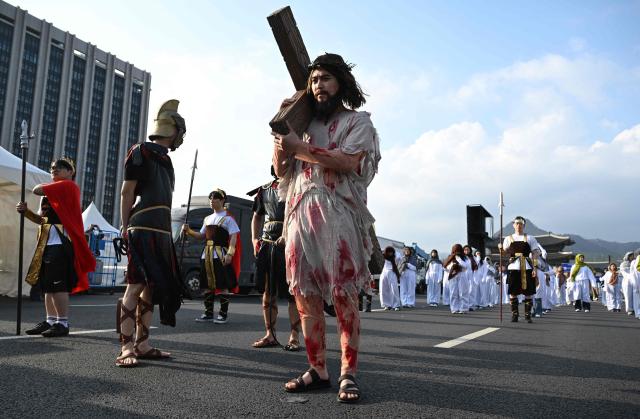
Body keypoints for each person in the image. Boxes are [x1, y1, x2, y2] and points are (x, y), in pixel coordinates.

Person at [273, 53, 380, 403]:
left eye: (326, 79)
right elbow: (280, 172)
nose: (319, 86)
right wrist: (282, 133)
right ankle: (317, 368)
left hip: (339, 215)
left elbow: (349, 162)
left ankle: (348, 372)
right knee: (304, 295)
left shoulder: (358, 122)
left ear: (341, 84)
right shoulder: (304, 125)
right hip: (300, 212)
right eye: (314, 80)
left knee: (343, 294)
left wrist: (299, 146)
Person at [116, 99, 186, 367]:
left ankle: (142, 344)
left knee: (150, 288)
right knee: (135, 285)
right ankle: (126, 348)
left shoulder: (163, 157)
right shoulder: (141, 150)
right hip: (142, 227)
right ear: (174, 129)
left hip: (161, 230)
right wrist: (124, 226)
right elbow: (127, 191)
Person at [16, 158, 95, 337]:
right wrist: (25, 212)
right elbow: (41, 219)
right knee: (48, 286)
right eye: (52, 168)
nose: (54, 170)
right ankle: (51, 320)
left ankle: (62, 323)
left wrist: (41, 188)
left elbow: (37, 189)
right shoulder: (50, 194)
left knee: (58, 286)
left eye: (60, 167)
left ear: (70, 172)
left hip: (61, 244)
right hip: (46, 243)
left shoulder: (68, 186)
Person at [249, 171, 301, 350]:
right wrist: (255, 239)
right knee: (268, 291)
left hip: (291, 244)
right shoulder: (264, 190)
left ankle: (294, 336)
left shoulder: (298, 185)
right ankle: (270, 334)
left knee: (293, 292)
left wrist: (290, 235)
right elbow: (257, 216)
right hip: (268, 244)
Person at [183, 188, 240, 324]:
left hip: (220, 254)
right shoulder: (207, 219)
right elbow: (201, 236)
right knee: (207, 285)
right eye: (210, 198)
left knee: (222, 284)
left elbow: (233, 238)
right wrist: (189, 231)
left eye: (215, 198)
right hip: (206, 254)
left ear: (222, 200)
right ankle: (208, 314)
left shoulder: (228, 218)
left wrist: (230, 253)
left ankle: (222, 314)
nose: (211, 201)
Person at [498, 216, 542, 323]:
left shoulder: (530, 238)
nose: (519, 226)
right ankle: (515, 314)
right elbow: (504, 253)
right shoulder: (508, 239)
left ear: (524, 225)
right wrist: (500, 249)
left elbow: (535, 253)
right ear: (513, 225)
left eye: (521, 224)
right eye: (517, 223)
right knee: (513, 292)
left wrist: (534, 268)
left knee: (529, 292)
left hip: (527, 266)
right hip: (513, 267)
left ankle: (528, 315)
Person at [444, 244, 473, 314]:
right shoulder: (450, 258)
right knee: (453, 293)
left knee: (463, 292)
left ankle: (464, 308)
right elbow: (444, 267)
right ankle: (454, 308)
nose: (456, 252)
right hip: (453, 276)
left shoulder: (465, 258)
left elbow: (466, 266)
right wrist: (452, 268)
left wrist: (458, 260)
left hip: (462, 274)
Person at [379, 246, 401, 311]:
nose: (390, 253)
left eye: (391, 252)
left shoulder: (395, 257)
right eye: (389, 252)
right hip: (384, 272)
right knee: (383, 289)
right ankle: (386, 305)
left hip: (392, 272)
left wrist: (395, 252)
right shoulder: (384, 256)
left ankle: (396, 305)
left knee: (394, 288)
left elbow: (399, 257)